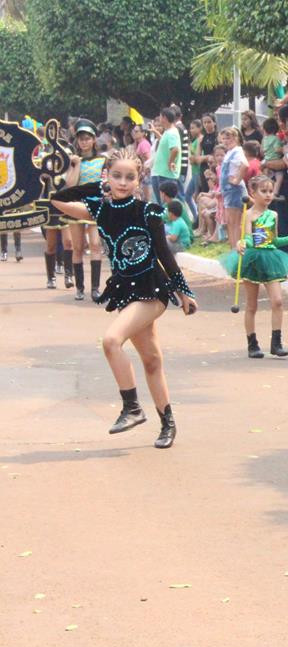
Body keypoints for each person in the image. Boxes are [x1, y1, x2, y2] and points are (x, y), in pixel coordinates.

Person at [50, 148, 198, 449]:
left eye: (130, 177)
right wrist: (96, 186)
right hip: (126, 290)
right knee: (152, 361)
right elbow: (59, 200)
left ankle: (131, 408)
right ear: (107, 176)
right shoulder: (100, 210)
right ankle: (168, 423)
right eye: (116, 176)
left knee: (111, 340)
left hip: (152, 289)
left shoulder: (148, 211)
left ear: (139, 178)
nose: (122, 182)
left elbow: (164, 254)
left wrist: (184, 292)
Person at [219, 175, 288, 359]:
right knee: (252, 305)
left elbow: (274, 241)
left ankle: (276, 342)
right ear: (253, 193)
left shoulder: (273, 215)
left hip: (271, 258)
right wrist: (242, 242)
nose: (268, 195)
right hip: (253, 259)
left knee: (278, 301)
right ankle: (252, 343)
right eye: (263, 191)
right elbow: (249, 238)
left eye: (270, 191)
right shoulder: (248, 214)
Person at [64, 119, 106, 301]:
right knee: (78, 247)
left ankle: (95, 288)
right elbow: (70, 185)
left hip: (96, 206)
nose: (84, 141)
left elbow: (106, 182)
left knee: (96, 244)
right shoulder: (74, 161)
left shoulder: (103, 160)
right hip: (77, 206)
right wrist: (77, 164)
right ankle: (80, 288)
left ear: (94, 140)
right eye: (81, 138)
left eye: (87, 138)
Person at [219, 127, 247, 248]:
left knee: (235, 223)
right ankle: (232, 249)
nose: (226, 141)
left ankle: (237, 250)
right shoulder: (230, 152)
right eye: (224, 138)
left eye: (229, 138)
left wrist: (236, 179)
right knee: (230, 223)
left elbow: (245, 165)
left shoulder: (237, 151)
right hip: (228, 192)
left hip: (234, 191)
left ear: (236, 138)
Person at [150, 108, 182, 205]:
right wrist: (156, 132)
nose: (159, 119)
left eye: (160, 116)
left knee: (167, 202)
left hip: (167, 174)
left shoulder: (172, 133)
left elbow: (175, 149)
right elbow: (164, 141)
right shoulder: (168, 132)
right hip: (162, 172)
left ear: (164, 117)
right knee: (163, 202)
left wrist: (170, 162)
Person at [260, 117, 286, 199]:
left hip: (267, 160)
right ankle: (275, 193)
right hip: (276, 160)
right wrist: (284, 149)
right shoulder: (276, 138)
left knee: (268, 178)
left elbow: (263, 151)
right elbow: (277, 149)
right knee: (279, 177)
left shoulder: (264, 139)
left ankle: (266, 193)